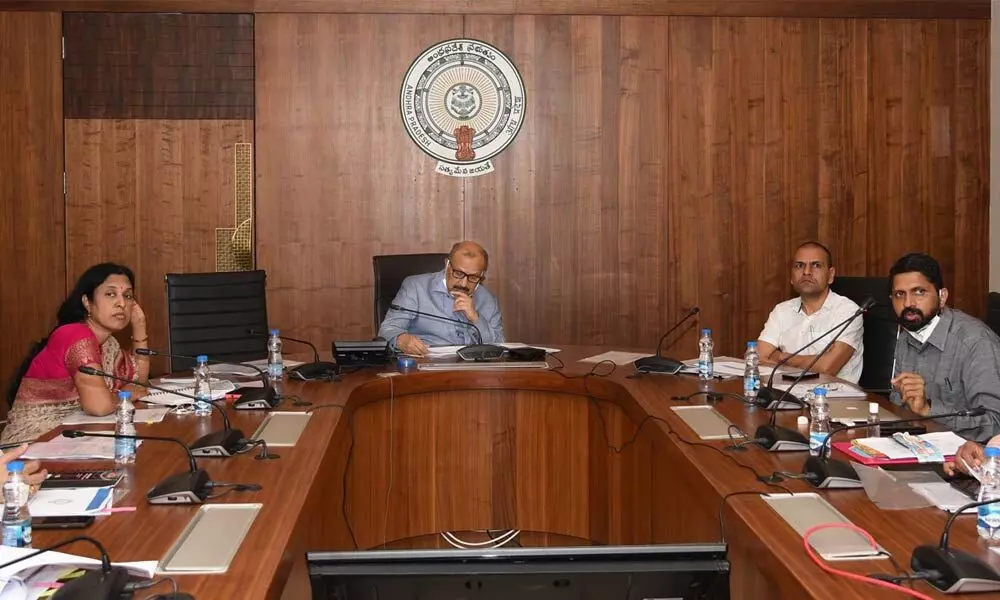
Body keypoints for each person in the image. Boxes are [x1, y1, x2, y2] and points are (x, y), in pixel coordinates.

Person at [3, 263, 149, 443]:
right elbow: (99, 406)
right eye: (110, 294)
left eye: (128, 296)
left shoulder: (109, 344)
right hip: (34, 442)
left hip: (72, 436)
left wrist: (140, 325)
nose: (122, 303)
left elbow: (139, 381)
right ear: (88, 302)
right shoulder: (75, 335)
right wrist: (128, 395)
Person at [888, 253, 1000, 442]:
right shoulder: (906, 336)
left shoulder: (976, 342)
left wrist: (928, 408)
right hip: (917, 446)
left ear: (942, 297)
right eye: (900, 294)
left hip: (966, 459)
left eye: (919, 292)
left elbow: (995, 423)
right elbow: (899, 407)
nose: (908, 303)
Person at [756, 241, 864, 382]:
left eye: (816, 265)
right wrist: (809, 362)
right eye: (799, 266)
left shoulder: (848, 311)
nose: (806, 272)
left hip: (835, 398)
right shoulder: (782, 310)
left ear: (830, 275)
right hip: (786, 394)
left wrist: (781, 357)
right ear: (791, 276)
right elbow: (757, 357)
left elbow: (827, 367)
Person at [378, 241, 505, 356]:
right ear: (447, 264)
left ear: (482, 275)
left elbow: (499, 346)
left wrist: (476, 318)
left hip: (472, 370)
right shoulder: (416, 287)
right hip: (426, 365)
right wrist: (401, 339)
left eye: (473, 277)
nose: (464, 284)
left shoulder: (487, 299)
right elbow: (387, 329)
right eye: (459, 273)